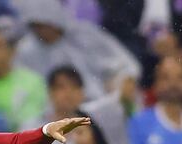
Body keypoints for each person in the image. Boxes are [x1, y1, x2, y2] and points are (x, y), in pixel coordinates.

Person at [12, 0, 141, 101]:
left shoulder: (85, 35)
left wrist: (124, 80)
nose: (41, 31)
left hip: (100, 103)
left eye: (44, 25)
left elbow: (124, 65)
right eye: (35, 26)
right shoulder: (26, 51)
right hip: (55, 116)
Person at [37, 66, 86, 144]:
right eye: (61, 87)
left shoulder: (93, 130)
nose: (68, 93)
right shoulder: (33, 127)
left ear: (82, 93)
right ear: (50, 92)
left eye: (74, 87)